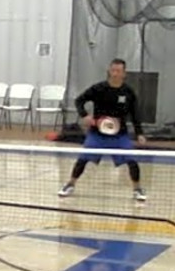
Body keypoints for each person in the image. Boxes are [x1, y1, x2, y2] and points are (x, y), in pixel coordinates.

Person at [58, 58, 147, 201]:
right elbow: (79, 100)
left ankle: (137, 189)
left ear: (124, 73)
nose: (115, 74)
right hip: (97, 134)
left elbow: (135, 114)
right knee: (82, 159)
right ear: (109, 71)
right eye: (113, 70)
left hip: (120, 135)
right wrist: (85, 115)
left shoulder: (128, 92)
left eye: (119, 71)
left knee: (132, 160)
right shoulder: (98, 88)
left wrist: (140, 133)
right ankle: (70, 184)